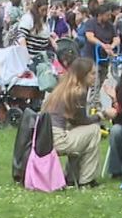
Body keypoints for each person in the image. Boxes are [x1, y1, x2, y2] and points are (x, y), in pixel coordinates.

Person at [43, 57, 102, 188]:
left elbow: (76, 122)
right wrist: (101, 115)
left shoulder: (63, 88)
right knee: (94, 130)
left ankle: (72, 177)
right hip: (58, 140)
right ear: (83, 75)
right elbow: (82, 120)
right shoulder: (78, 91)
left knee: (82, 133)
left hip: (45, 137)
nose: (95, 77)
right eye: (92, 74)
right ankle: (86, 180)